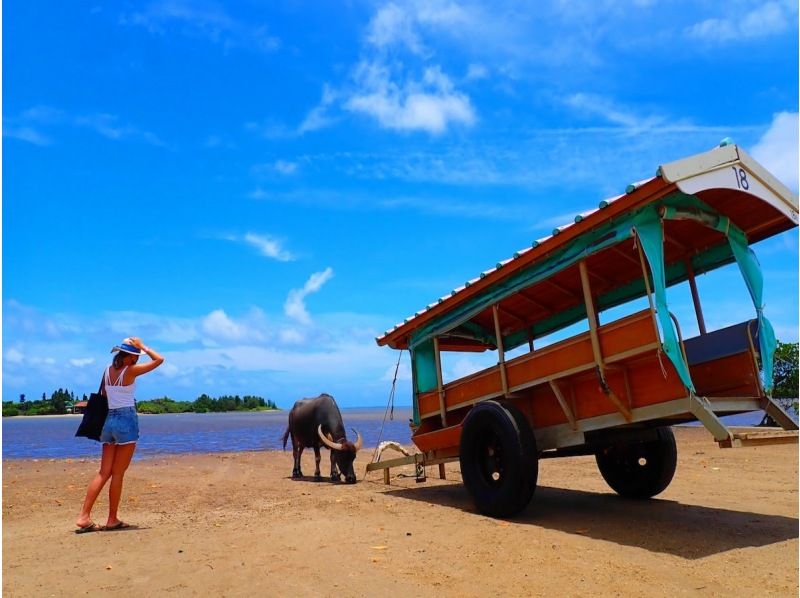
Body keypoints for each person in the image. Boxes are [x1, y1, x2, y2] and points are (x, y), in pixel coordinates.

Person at [75, 337, 164, 533]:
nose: (138, 359)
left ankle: (83, 516)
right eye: (136, 356)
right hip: (125, 420)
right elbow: (159, 360)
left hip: (109, 421)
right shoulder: (130, 370)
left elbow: (105, 396)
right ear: (131, 356)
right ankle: (112, 518)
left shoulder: (107, 370)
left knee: (103, 472)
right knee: (118, 473)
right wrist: (144, 347)